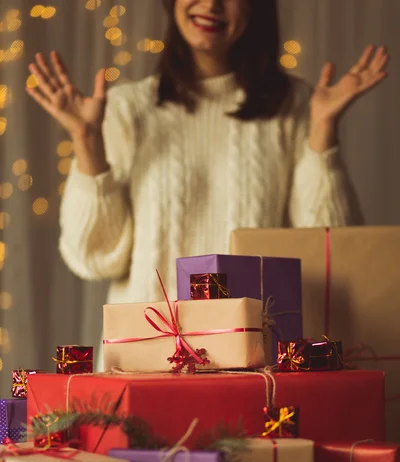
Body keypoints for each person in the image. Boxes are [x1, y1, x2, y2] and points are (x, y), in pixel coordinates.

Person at [26, 0, 388, 309]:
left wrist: (322, 128)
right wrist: (87, 139)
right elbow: (93, 256)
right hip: (142, 363)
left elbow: (327, 253)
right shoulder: (125, 109)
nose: (211, 3)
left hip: (251, 366)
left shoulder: (294, 105)